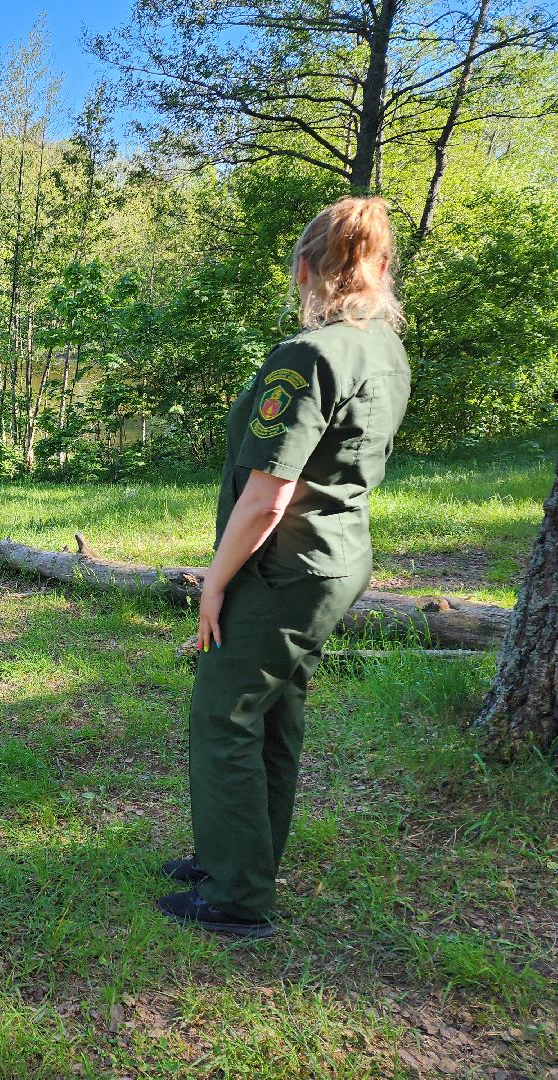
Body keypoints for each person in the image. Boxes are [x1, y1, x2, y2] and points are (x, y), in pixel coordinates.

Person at [158, 197, 411, 938]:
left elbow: (269, 495)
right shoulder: (384, 349)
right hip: (334, 559)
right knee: (274, 712)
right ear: (381, 268)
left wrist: (213, 581)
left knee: (225, 712)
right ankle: (236, 857)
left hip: (283, 566)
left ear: (305, 268)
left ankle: (237, 897)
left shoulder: (310, 356)